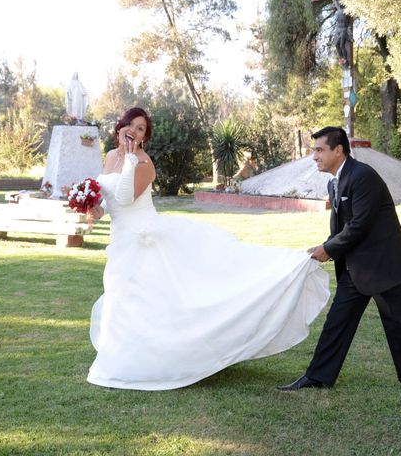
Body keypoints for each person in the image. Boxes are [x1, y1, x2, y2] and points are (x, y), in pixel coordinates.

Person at [86, 107, 330, 391]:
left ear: (144, 139)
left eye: (141, 129)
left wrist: (130, 159)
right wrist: (92, 206)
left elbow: (126, 197)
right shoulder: (111, 157)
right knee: (123, 299)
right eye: (132, 125)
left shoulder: (142, 163)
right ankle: (124, 358)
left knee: (155, 296)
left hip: (144, 239)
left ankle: (292, 264)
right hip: (121, 242)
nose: (135, 131)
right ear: (120, 126)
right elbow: (111, 204)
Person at [278, 126, 401, 400]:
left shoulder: (363, 176)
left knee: (400, 324)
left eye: (319, 150)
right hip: (354, 269)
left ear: (339, 150)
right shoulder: (334, 181)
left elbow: (359, 225)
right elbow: (342, 227)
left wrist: (328, 249)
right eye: (314, 151)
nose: (314, 157)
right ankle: (317, 376)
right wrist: (324, 246)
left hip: (384, 267)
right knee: (336, 322)